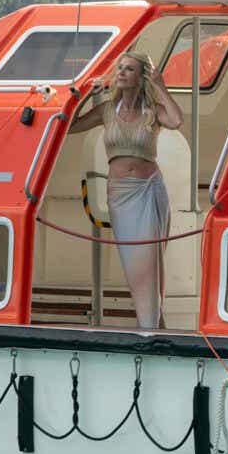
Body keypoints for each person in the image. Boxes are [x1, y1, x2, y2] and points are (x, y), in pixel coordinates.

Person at [71, 52, 185, 331]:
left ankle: (151, 326)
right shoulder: (107, 111)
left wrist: (161, 85)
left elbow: (176, 120)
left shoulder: (152, 110)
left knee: (151, 263)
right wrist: (86, 94)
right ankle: (153, 325)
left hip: (150, 190)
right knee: (136, 264)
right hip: (121, 195)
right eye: (119, 68)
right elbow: (69, 126)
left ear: (141, 76)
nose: (121, 73)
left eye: (129, 69)